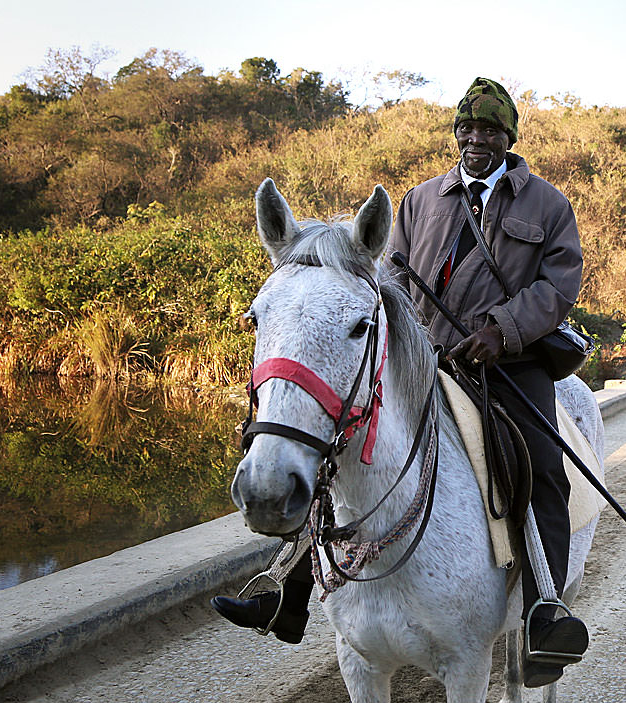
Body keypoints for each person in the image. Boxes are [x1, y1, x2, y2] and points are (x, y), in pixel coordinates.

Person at [211, 77, 587, 688]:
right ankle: (289, 586)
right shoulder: (420, 201)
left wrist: (502, 330)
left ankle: (545, 607)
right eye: (466, 129)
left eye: (489, 130)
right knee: (342, 444)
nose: (476, 140)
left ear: (509, 137)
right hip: (430, 354)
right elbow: (391, 285)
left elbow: (558, 285)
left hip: (509, 363)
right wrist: (410, 338)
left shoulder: (545, 204)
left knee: (540, 461)